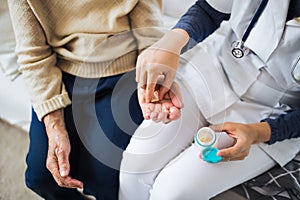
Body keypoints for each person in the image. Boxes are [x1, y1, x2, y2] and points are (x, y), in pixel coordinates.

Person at [119, 0, 300, 199]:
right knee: (133, 172)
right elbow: (209, 9)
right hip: (214, 73)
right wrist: (171, 42)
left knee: (172, 192)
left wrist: (260, 132)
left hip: (272, 113)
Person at [7, 0, 163, 199]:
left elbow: (149, 32)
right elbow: (33, 52)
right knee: (40, 176)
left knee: (107, 179)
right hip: (61, 76)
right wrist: (54, 125)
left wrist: (150, 80)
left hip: (123, 71)